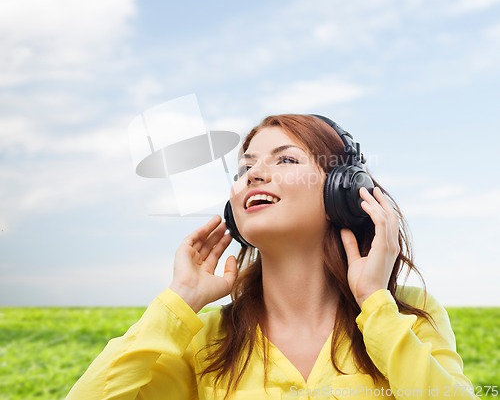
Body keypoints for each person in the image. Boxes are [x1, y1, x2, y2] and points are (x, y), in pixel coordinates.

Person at [66, 114, 478, 400]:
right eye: (245, 168)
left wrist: (374, 303)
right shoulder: (204, 338)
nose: (254, 175)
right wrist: (180, 300)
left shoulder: (409, 313)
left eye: (286, 159)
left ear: (343, 191)